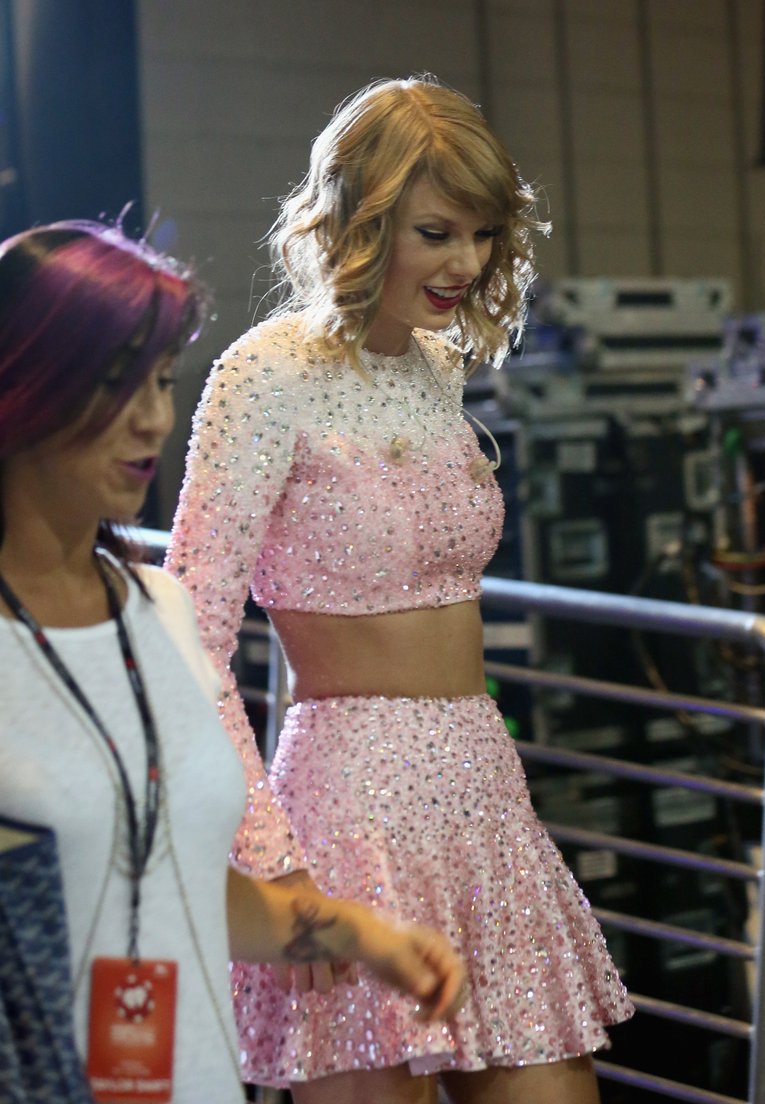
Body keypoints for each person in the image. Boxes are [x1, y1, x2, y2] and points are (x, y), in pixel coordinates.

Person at [167, 75, 634, 1104]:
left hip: (484, 796)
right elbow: (186, 635)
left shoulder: (435, 367)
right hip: (343, 819)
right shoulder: (262, 376)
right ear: (358, 222)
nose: (464, 264)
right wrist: (270, 860)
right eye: (435, 232)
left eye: (480, 234)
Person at [0, 220, 465, 1104]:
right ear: (21, 386)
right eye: (112, 382)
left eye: (161, 380)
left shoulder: (161, 614)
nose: (152, 418)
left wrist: (366, 938)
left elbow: (176, 884)